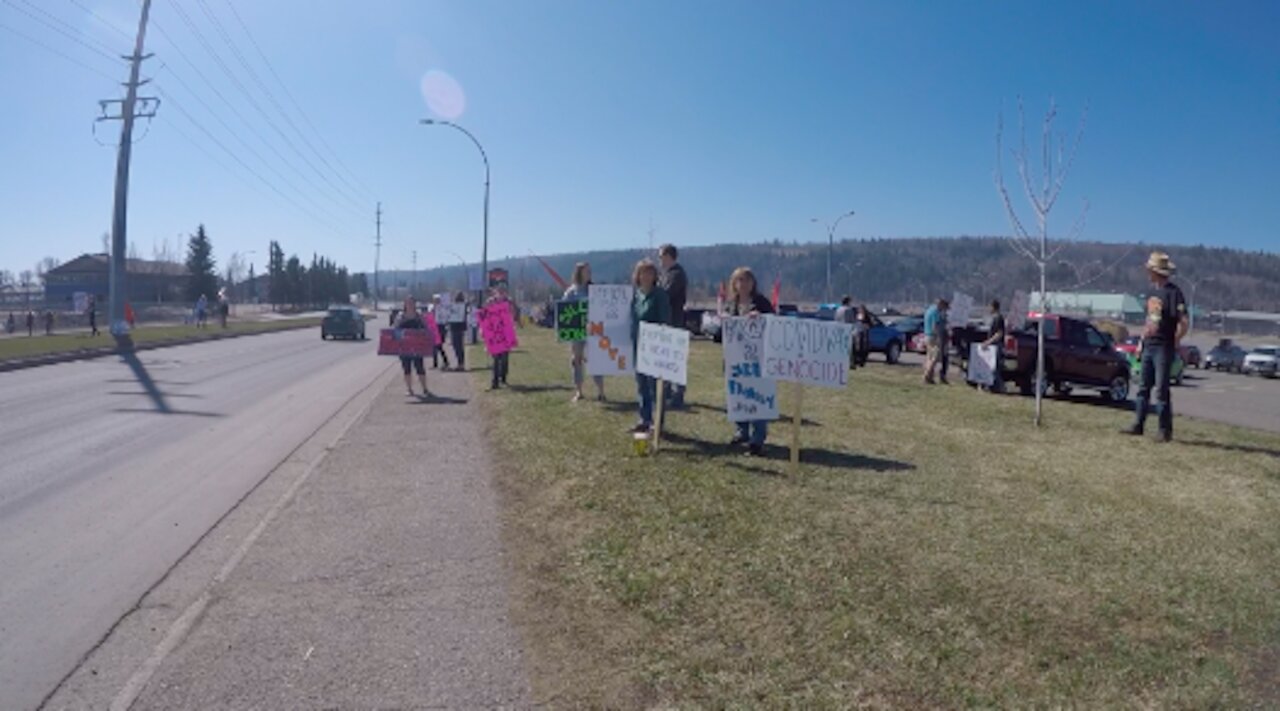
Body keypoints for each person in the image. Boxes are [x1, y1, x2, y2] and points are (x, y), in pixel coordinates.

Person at [1123, 251, 1188, 442]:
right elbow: (1149, 321)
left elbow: (1183, 321)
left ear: (1157, 272)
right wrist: (1141, 343)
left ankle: (1164, 430)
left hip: (1163, 346)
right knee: (1143, 387)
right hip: (1149, 345)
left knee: (1161, 389)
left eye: (1150, 270)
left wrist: (1176, 339)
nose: (1148, 273)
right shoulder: (1152, 293)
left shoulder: (1173, 293)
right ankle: (1138, 424)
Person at [726, 266, 775, 457]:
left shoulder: (761, 302)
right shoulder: (731, 304)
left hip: (759, 360)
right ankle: (742, 431)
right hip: (736, 362)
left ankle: (758, 438)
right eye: (739, 280)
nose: (743, 284)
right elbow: (722, 336)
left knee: (759, 397)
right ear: (734, 284)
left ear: (753, 283)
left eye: (747, 280)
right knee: (738, 395)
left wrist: (761, 317)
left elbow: (773, 323)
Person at [630, 259, 671, 434]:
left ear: (655, 276)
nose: (646, 276)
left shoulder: (660, 295)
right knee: (641, 384)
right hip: (637, 344)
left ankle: (657, 421)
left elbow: (665, 320)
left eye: (650, 272)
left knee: (655, 386)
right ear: (637, 276)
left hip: (655, 346)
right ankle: (644, 419)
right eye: (643, 272)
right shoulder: (636, 295)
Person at [564, 262, 605, 402]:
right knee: (576, 360)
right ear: (579, 272)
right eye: (586, 271)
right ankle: (579, 391)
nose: (589, 273)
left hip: (593, 330)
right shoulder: (571, 292)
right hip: (577, 331)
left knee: (595, 360)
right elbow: (565, 312)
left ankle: (601, 391)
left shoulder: (595, 290)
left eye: (590, 271)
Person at [658, 243, 688, 409]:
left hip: (675, 322)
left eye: (661, 256)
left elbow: (666, 295)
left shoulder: (677, 274)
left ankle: (678, 395)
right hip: (668, 322)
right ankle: (667, 391)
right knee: (666, 359)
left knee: (676, 360)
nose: (659, 260)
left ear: (669, 256)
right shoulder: (667, 274)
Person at [394, 297, 431, 398]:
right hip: (404, 347)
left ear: (415, 304)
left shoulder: (419, 316)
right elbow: (395, 330)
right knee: (406, 369)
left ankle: (425, 388)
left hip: (417, 348)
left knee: (420, 368)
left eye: (411, 303)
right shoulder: (400, 317)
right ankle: (409, 389)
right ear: (405, 304)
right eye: (408, 303)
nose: (410, 305)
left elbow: (426, 330)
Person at [486, 287, 513, 389]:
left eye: (503, 292)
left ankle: (503, 377)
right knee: (496, 358)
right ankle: (495, 381)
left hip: (505, 333)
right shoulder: (490, 302)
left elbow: (512, 315)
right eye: (499, 292)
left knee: (504, 357)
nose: (501, 294)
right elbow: (486, 316)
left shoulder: (508, 302)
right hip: (495, 333)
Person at [922, 298, 950, 384]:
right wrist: (938, 337)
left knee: (929, 357)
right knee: (934, 357)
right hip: (933, 336)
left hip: (926, 334)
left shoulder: (929, 310)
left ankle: (930, 376)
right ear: (940, 304)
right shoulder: (936, 312)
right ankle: (926, 376)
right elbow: (935, 326)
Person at [981, 300, 1006, 393]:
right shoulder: (993, 318)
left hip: (996, 345)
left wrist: (988, 342)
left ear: (993, 307)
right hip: (992, 346)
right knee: (992, 367)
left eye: (990, 307)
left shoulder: (999, 318)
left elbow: (999, 333)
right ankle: (993, 386)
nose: (988, 309)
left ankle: (1000, 387)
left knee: (994, 367)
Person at [430, 295, 450, 370]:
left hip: (440, 327)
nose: (436, 301)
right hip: (434, 327)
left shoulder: (442, 308)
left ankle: (445, 361)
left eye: (437, 300)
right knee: (434, 346)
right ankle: (436, 363)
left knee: (438, 346)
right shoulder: (432, 308)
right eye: (435, 300)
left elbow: (444, 318)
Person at [449, 291, 468, 371]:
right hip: (456, 326)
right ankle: (460, 363)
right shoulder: (456, 305)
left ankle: (461, 364)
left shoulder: (463, 306)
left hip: (457, 327)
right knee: (457, 345)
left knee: (458, 346)